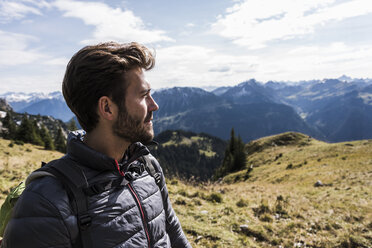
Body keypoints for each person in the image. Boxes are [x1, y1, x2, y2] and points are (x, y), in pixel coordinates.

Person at [1, 42, 191, 248]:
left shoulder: (147, 166)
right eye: (144, 95)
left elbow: (174, 234)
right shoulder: (46, 202)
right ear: (107, 107)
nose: (154, 105)